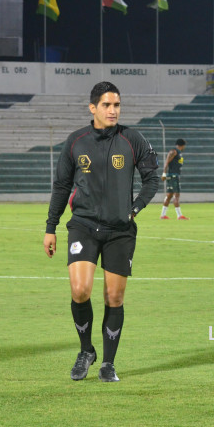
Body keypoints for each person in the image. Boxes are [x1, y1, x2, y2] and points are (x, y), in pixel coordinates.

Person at [43, 81, 159, 382]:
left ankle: (108, 363)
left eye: (117, 105)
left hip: (120, 230)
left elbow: (151, 179)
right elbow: (61, 187)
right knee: (80, 290)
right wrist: (50, 227)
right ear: (92, 107)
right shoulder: (75, 142)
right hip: (83, 226)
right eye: (107, 105)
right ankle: (86, 351)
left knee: (114, 297)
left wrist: (135, 208)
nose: (113, 110)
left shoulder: (133, 139)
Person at [160, 138, 189, 220]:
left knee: (169, 196)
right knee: (176, 195)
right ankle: (179, 216)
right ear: (182, 145)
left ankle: (163, 215)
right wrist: (164, 174)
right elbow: (166, 162)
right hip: (173, 176)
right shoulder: (174, 151)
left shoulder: (178, 153)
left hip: (173, 175)